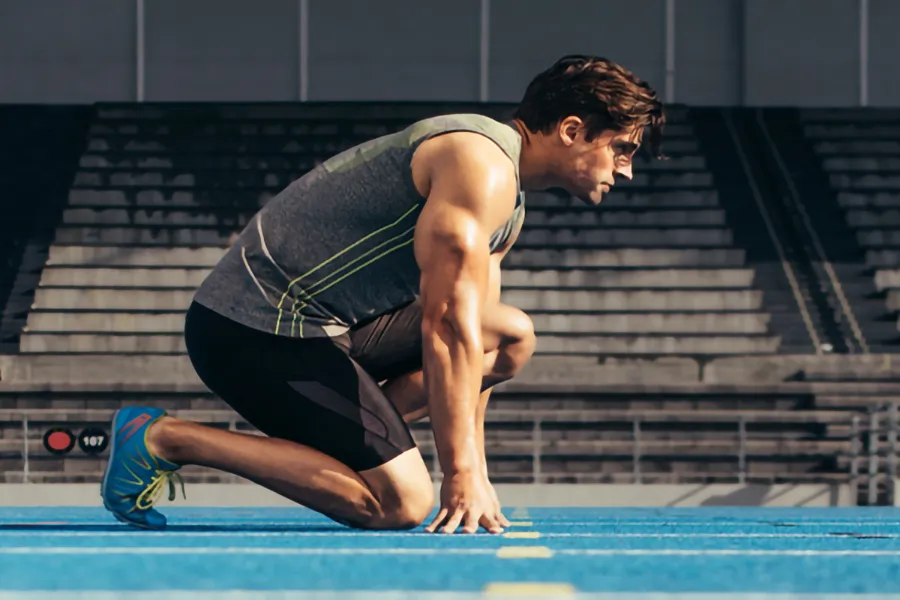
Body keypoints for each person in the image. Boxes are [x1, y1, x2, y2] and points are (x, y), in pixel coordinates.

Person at [101, 54, 665, 534]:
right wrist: (457, 475)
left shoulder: (508, 206)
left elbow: (469, 338)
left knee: (508, 334)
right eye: (622, 148)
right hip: (252, 328)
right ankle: (166, 437)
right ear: (570, 129)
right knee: (401, 505)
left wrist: (476, 470)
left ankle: (348, 448)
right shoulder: (479, 164)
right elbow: (444, 326)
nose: (627, 171)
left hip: (329, 330)